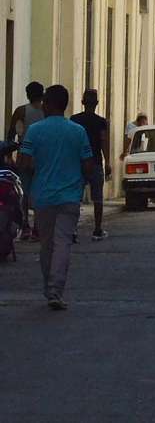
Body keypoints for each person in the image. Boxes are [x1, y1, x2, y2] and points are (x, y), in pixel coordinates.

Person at [18, 84, 95, 311]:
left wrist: (37, 166)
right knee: (63, 243)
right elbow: (88, 163)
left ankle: (49, 287)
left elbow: (24, 162)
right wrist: (82, 179)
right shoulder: (77, 131)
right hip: (70, 196)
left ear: (48, 104)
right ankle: (55, 290)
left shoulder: (35, 131)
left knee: (47, 245)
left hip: (43, 196)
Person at [71, 89, 111, 241]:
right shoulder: (101, 122)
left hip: (77, 163)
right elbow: (103, 142)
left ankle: (73, 230)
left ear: (82, 102)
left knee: (75, 197)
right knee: (98, 198)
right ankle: (98, 229)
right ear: (97, 103)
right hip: (95, 161)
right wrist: (107, 161)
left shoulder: (74, 120)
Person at [7, 81, 45, 240]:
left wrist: (10, 154)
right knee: (40, 192)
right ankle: (37, 227)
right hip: (43, 156)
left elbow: (11, 135)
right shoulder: (47, 111)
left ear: (28, 94)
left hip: (24, 156)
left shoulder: (21, 111)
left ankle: (25, 225)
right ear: (42, 94)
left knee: (25, 191)